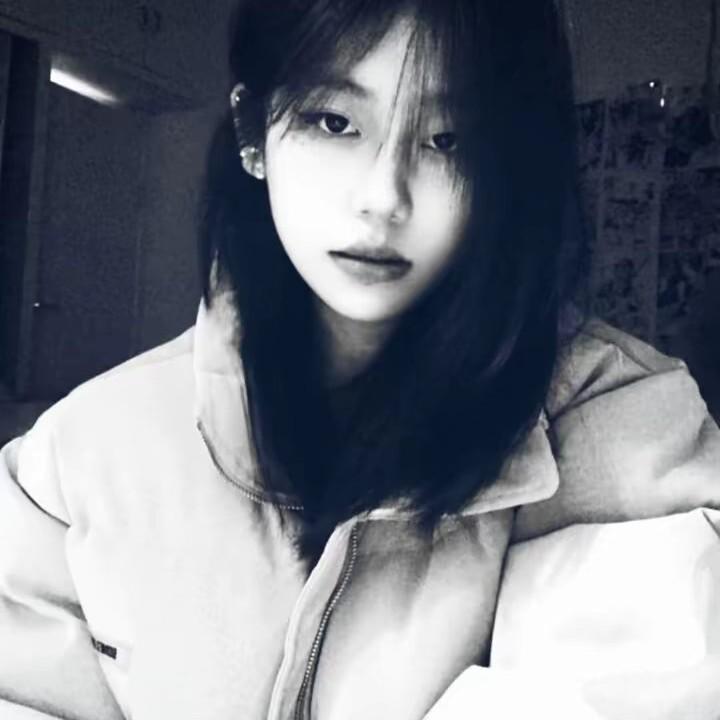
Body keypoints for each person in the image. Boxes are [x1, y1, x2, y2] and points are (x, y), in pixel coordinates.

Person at [1, 0, 719, 718]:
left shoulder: (617, 424)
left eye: (448, 139)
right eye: (334, 122)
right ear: (253, 133)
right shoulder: (80, 456)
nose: (383, 198)